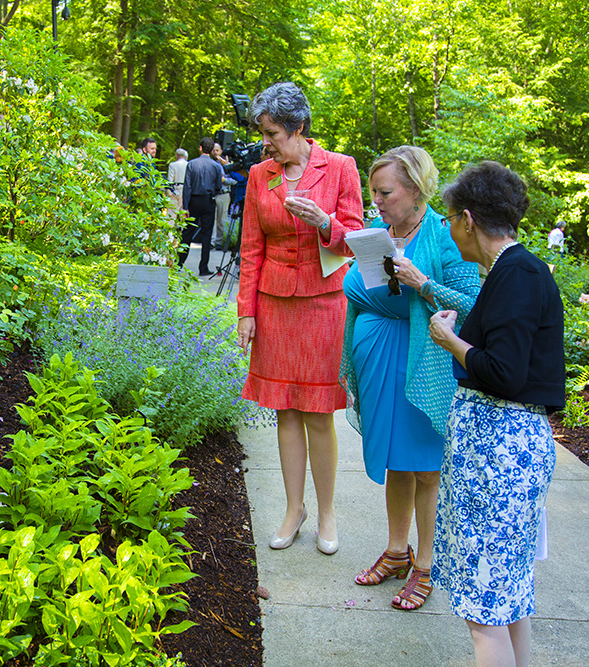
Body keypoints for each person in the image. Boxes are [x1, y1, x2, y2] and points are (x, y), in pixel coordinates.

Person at [428, 161, 564, 667]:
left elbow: (503, 373)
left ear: (467, 219)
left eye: (449, 220)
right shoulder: (515, 271)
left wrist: (451, 341)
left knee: (486, 613)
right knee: (506, 601)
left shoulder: (517, 274)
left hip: (498, 453)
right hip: (502, 449)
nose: (448, 230)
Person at [341, 146, 481, 610]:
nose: (375, 199)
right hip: (379, 361)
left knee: (425, 468)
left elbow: (472, 300)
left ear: (416, 190)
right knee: (395, 462)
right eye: (373, 191)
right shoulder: (375, 235)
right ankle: (397, 552)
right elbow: (360, 290)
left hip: (424, 366)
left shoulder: (443, 236)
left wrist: (422, 283)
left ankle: (425, 564)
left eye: (384, 191)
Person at [236, 81, 363, 556]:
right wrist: (246, 311)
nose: (265, 141)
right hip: (273, 303)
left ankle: (326, 512)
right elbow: (251, 246)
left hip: (323, 303)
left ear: (299, 128)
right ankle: (295, 508)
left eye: (272, 133)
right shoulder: (258, 175)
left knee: (316, 413)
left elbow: (355, 238)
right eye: (263, 133)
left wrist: (324, 223)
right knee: (284, 411)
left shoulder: (342, 168)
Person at [180, 137, 223, 274]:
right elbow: (219, 186)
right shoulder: (216, 166)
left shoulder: (191, 164)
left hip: (193, 200)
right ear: (211, 150)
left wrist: (185, 207)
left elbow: (187, 187)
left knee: (187, 233)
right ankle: (203, 267)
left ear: (200, 148)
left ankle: (179, 263)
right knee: (206, 234)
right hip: (208, 201)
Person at [212, 142, 231, 249]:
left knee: (221, 221)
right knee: (212, 220)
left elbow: (235, 180)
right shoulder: (209, 163)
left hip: (223, 195)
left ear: (221, 151)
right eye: (213, 150)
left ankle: (219, 242)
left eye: (217, 150)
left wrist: (224, 180)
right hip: (212, 195)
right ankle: (211, 241)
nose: (215, 152)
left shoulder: (226, 164)